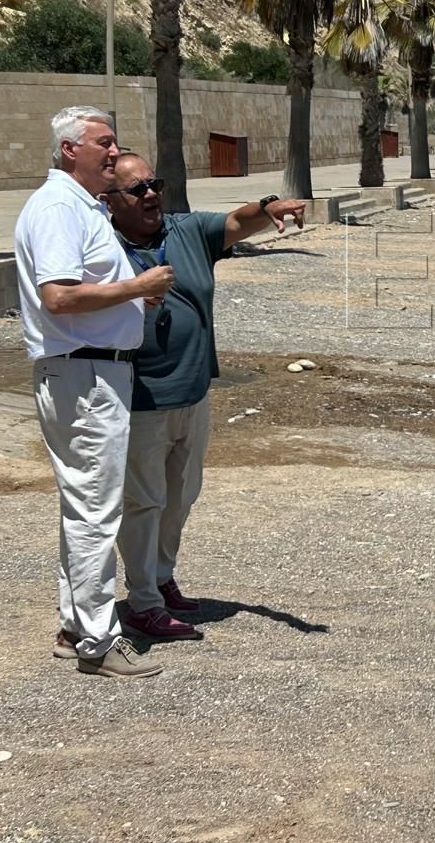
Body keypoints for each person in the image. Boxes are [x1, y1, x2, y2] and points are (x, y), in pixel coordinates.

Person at [106, 153, 307, 643]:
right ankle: (142, 603)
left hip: (192, 392)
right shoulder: (101, 247)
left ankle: (160, 576)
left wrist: (269, 206)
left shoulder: (186, 230)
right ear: (109, 202)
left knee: (180, 496)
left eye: (155, 183)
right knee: (143, 502)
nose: (151, 193)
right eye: (137, 189)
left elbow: (238, 222)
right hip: (139, 398)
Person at [14, 107, 174, 679]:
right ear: (68, 151)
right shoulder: (60, 208)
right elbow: (58, 296)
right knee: (94, 513)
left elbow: (82, 289)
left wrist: (130, 301)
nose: (114, 153)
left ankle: (76, 625)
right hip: (84, 376)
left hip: (92, 371)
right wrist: (137, 286)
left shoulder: (79, 206)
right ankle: (98, 642)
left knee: (85, 507)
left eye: (114, 143)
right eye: (102, 144)